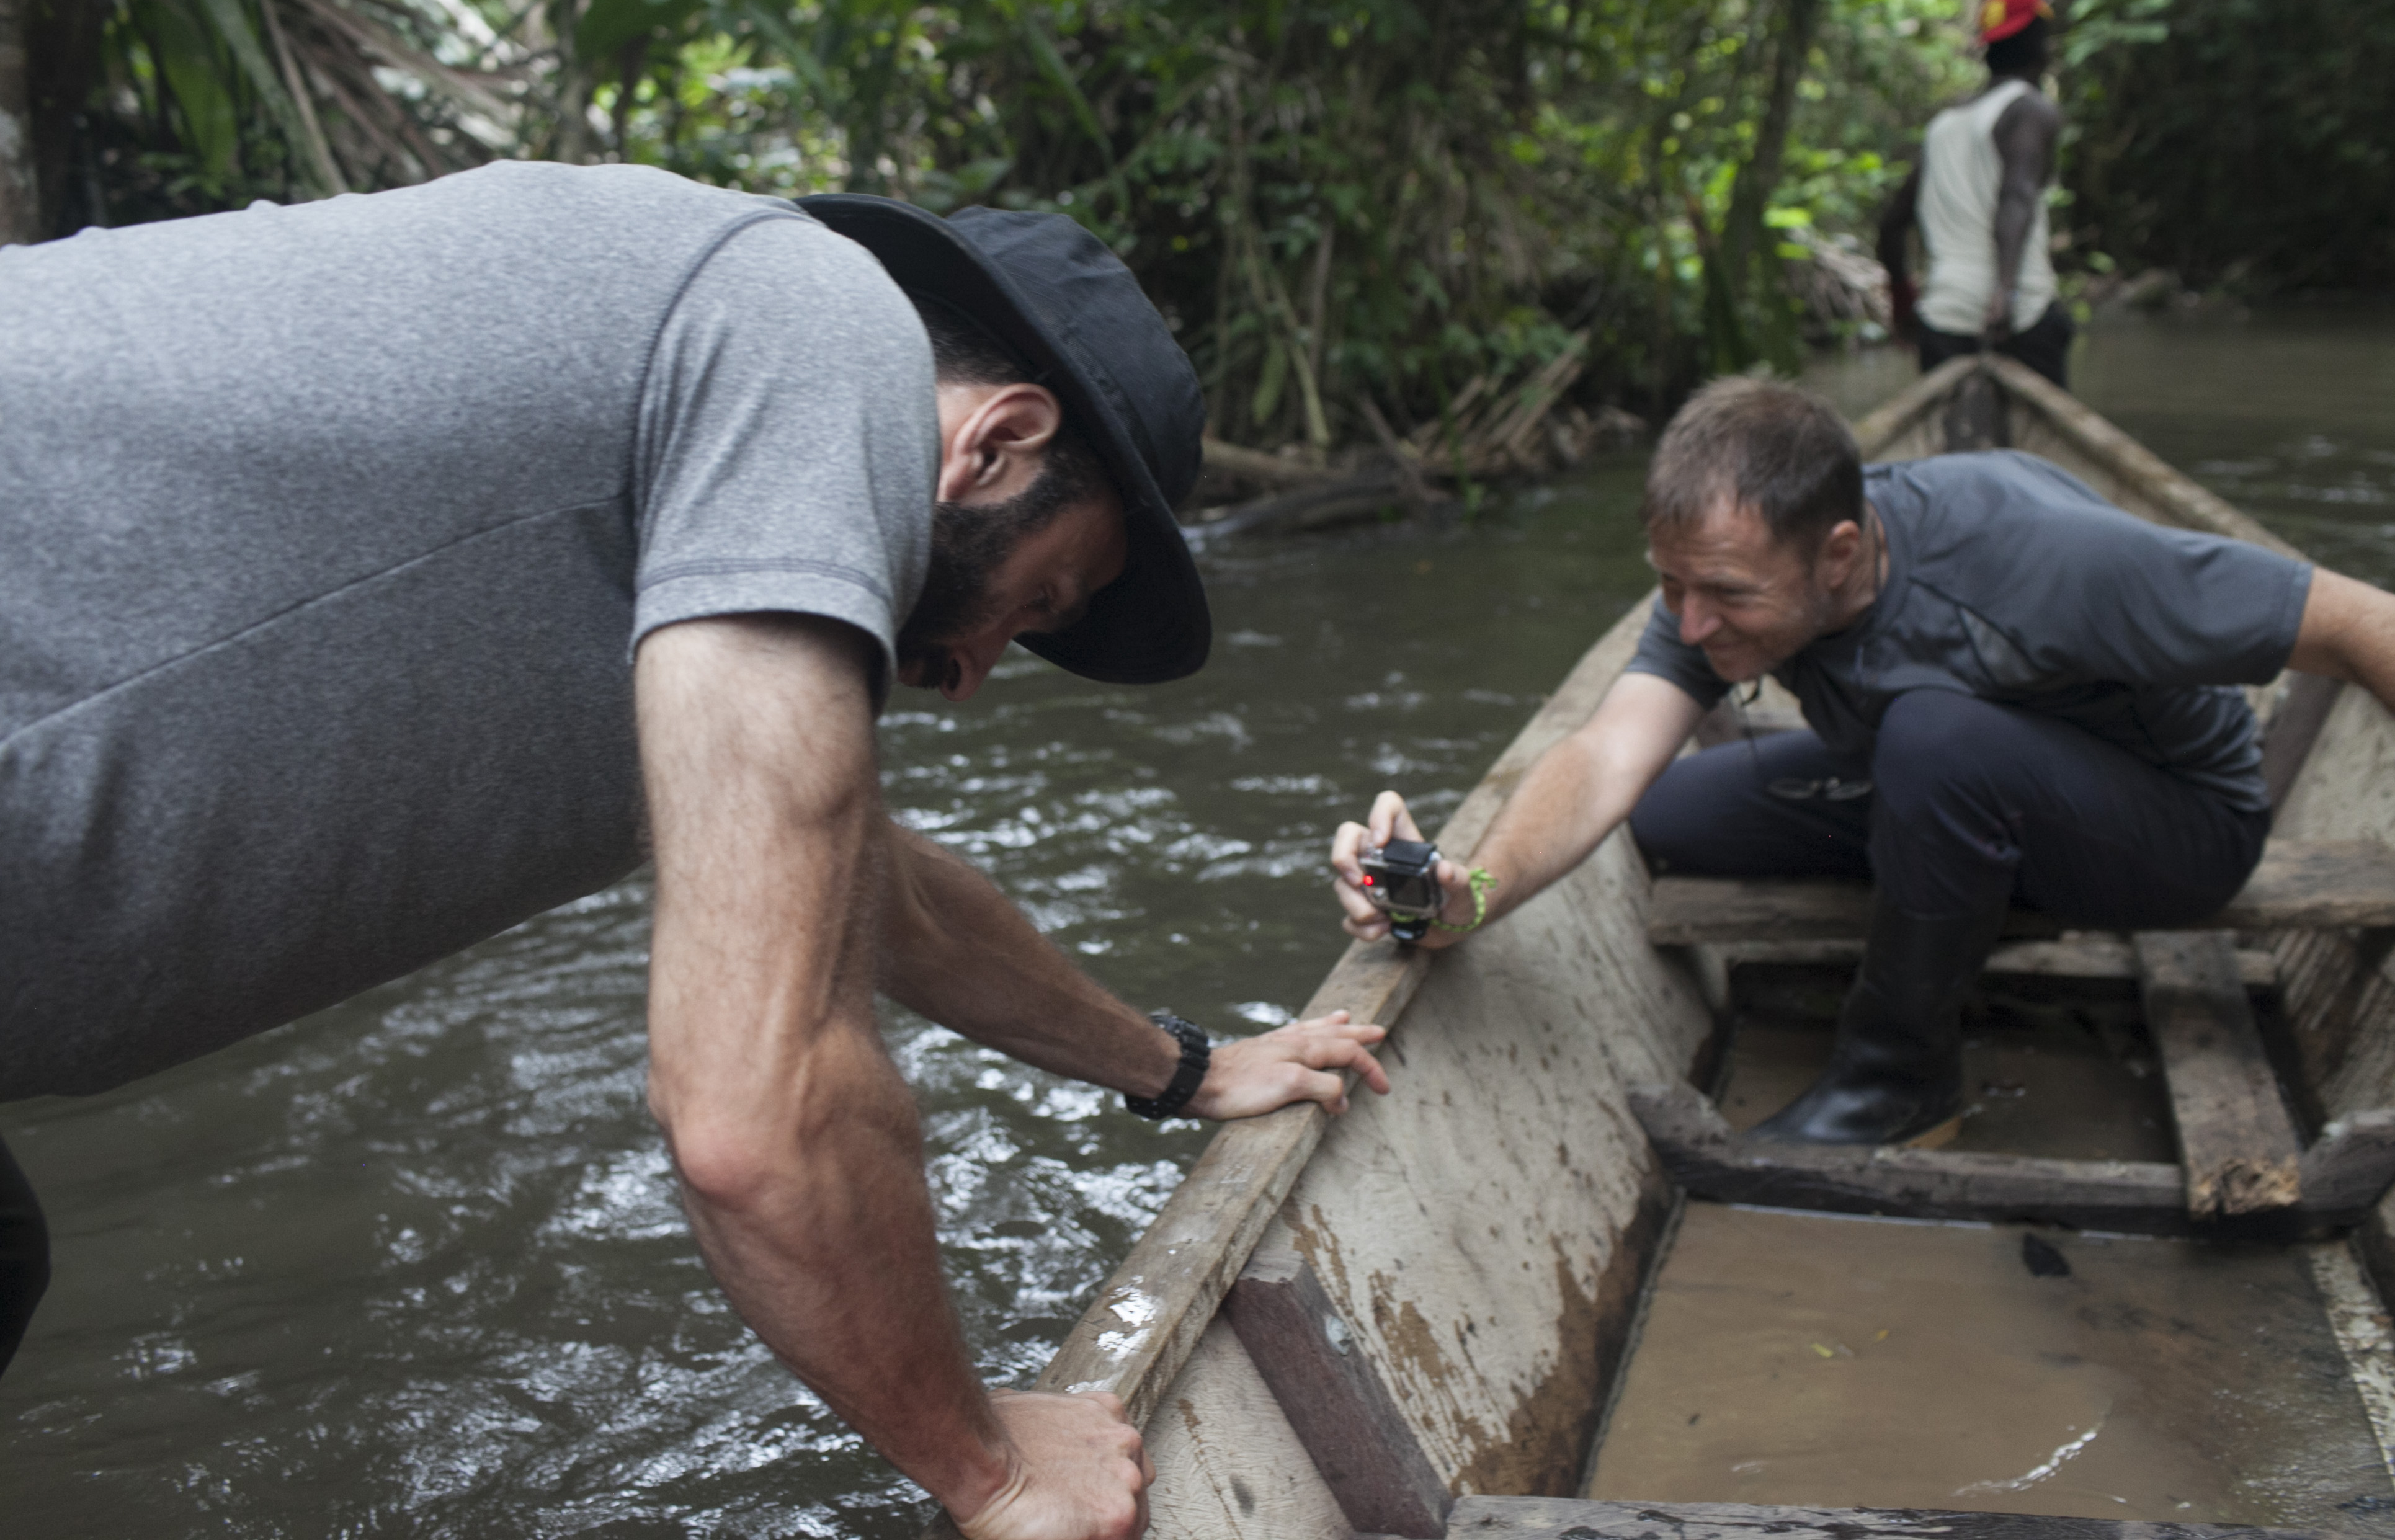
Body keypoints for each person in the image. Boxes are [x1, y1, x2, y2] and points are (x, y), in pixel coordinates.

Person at [0, 161, 1394, 1540]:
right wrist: (994, 1471)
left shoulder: (683, 520)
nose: (972, 677)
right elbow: (752, 1121)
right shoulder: (805, 325)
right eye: (1040, 600)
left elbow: (874, 887)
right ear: (993, 442)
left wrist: (1184, 1069)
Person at [1331, 376, 2395, 1149]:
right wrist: (1470, 889)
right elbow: (1608, 749)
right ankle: (1955, 861)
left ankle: (1901, 1079)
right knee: (1668, 814)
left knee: (1937, 738)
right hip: (1962, 777)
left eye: (1729, 596)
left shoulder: (2042, 559)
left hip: (2176, 828)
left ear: (1838, 552)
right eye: (1671, 585)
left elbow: (2356, 620)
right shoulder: (1718, 578)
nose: (1693, 621)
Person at [1878, 0, 2072, 388]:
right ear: (2039, 42)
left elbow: (1891, 224)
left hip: (1944, 319)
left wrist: (1902, 303)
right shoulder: (2029, 110)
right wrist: (2005, 292)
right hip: (2020, 317)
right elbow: (2016, 196)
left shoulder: (1943, 127)